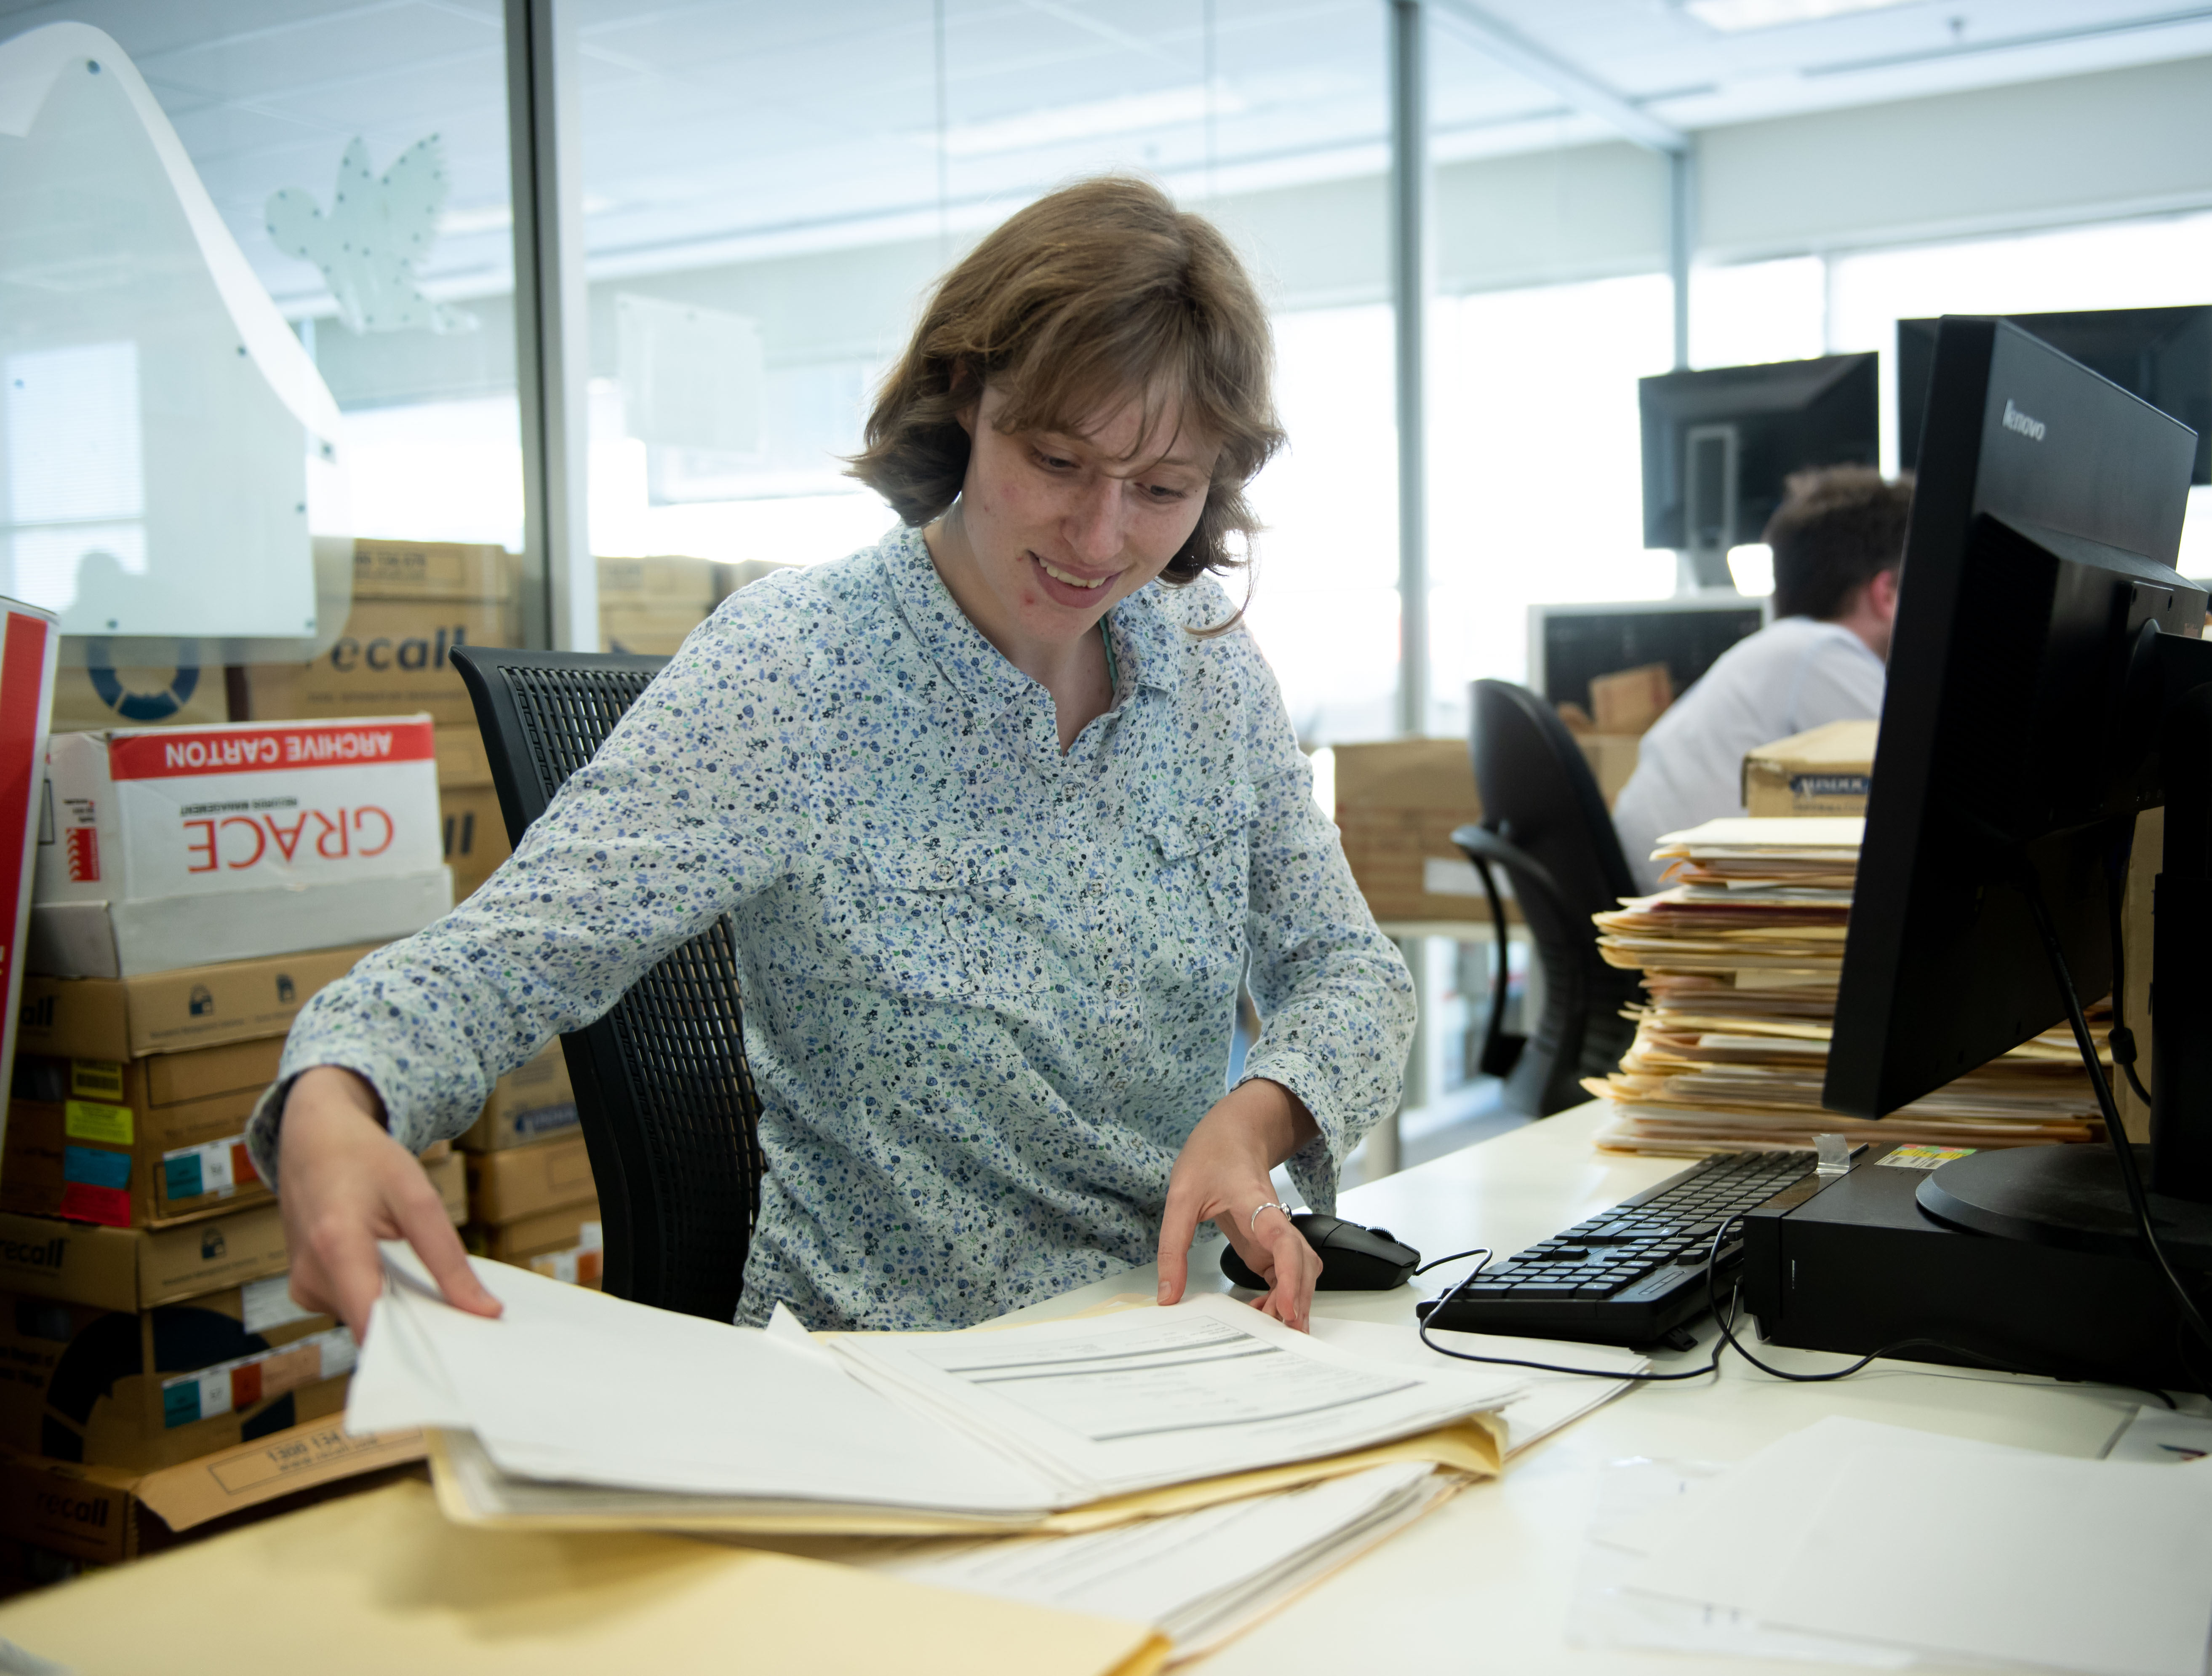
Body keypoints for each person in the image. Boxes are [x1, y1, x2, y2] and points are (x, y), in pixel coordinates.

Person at [252, 176, 1413, 1343]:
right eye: (1057, 462)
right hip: (894, 1375)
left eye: (1162, 490)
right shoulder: (798, 668)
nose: (1103, 538)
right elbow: (509, 951)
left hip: (1171, 1341)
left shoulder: (1205, 668)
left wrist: (1252, 1122)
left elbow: (1352, 973)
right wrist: (339, 1097)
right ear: (964, 398)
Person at [1611, 465, 1911, 886]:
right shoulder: (1822, 656)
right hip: (1703, 920)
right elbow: (1919, 804)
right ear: (1885, 594)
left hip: (1677, 900)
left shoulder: (1782, 653)